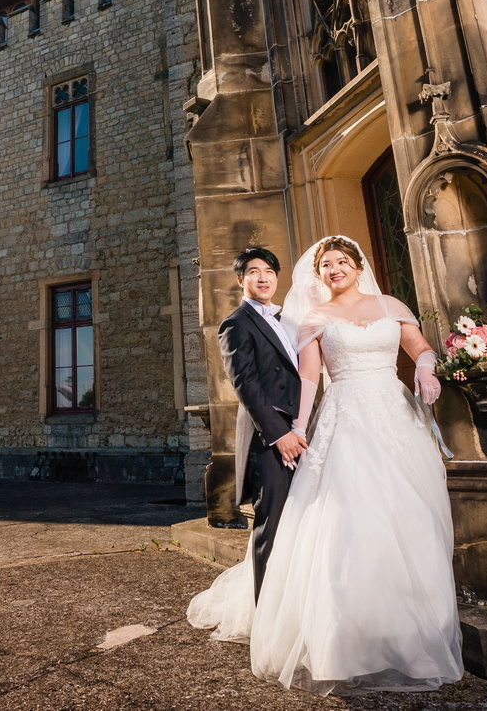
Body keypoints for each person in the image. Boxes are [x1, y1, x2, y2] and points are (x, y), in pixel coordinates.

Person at [188, 235, 463, 693]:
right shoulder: (314, 318)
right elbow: (310, 377)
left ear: (358, 266)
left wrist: (425, 368)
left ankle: (408, 625)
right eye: (326, 265)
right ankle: (344, 636)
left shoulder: (391, 305)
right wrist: (294, 430)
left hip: (395, 418)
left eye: (341, 262)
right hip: (345, 417)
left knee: (409, 514)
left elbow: (420, 347)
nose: (334, 269)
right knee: (346, 518)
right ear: (320, 275)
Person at [215, 247, 307, 605]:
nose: (263, 277)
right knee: (271, 521)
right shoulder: (235, 323)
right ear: (241, 280)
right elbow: (246, 385)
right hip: (269, 438)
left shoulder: (286, 321)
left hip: (299, 431)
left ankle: (294, 604)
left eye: (269, 270)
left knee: (299, 520)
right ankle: (265, 612)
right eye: (254, 271)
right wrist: (279, 434)